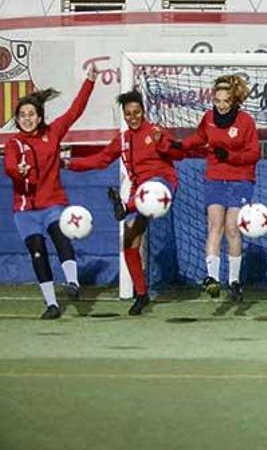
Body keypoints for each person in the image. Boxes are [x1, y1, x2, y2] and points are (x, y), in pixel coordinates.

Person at [65, 90, 182, 315]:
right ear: (124, 115)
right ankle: (141, 294)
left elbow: (175, 153)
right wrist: (69, 164)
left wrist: (163, 144)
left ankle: (124, 207)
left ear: (143, 112)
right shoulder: (123, 140)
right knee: (129, 242)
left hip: (162, 184)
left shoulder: (156, 131)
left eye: (137, 112)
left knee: (148, 193)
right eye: (128, 114)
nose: (133, 117)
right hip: (140, 194)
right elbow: (100, 160)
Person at [3, 65, 97, 319]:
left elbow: (75, 111)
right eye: (22, 115)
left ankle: (73, 283)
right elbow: (11, 167)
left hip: (52, 203)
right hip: (25, 210)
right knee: (37, 250)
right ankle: (52, 304)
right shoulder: (13, 144)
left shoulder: (53, 133)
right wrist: (19, 170)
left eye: (31, 114)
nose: (26, 118)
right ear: (17, 118)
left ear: (40, 115)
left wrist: (89, 82)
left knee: (60, 236)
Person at [174, 75, 259, 302]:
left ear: (234, 101)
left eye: (226, 101)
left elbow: (254, 154)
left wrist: (230, 155)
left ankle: (234, 281)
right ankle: (212, 279)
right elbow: (200, 137)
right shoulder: (209, 118)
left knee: (232, 228)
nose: (221, 105)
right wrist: (180, 145)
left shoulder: (245, 121)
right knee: (215, 225)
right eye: (218, 100)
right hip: (214, 178)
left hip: (240, 179)